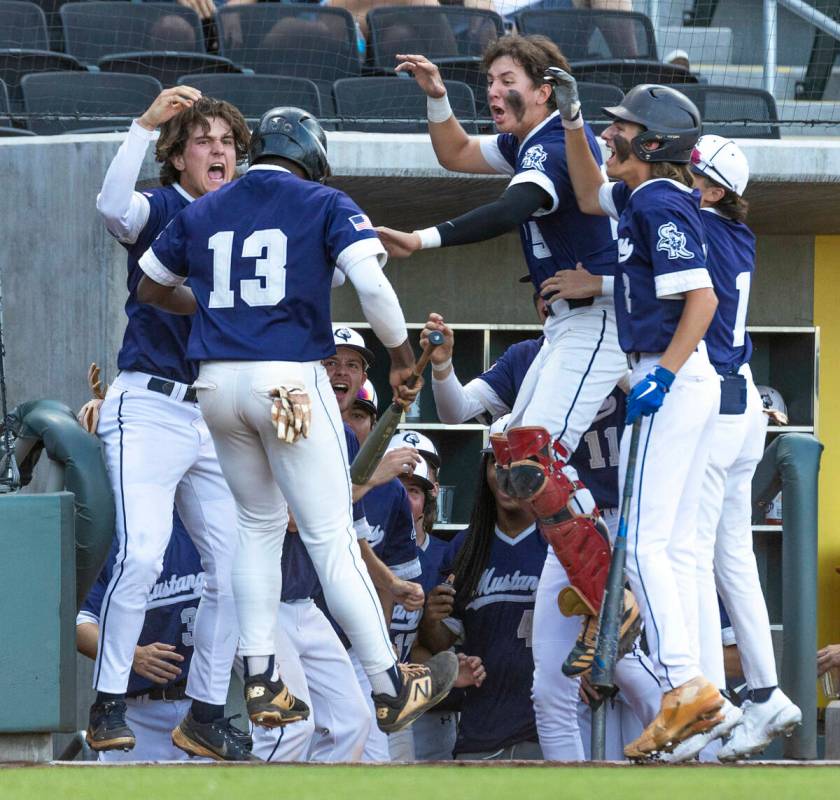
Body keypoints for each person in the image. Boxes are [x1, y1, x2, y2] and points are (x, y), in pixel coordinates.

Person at [136, 106, 458, 740]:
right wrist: (397, 355)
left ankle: (260, 679)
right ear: (311, 156)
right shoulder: (324, 200)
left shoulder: (204, 208)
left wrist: (210, 308)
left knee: (255, 526)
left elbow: (149, 288)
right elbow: (372, 284)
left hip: (216, 384)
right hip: (286, 381)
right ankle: (390, 684)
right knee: (331, 534)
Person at [377, 34, 635, 680]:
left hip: (598, 322)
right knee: (517, 451)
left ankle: (612, 593)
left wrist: (424, 238)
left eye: (507, 79)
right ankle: (605, 587)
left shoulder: (550, 145)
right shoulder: (529, 139)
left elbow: (510, 208)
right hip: (566, 327)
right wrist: (439, 99)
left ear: (546, 89)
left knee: (534, 453)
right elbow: (456, 152)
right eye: (488, 80)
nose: (493, 90)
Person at [547, 69, 728, 759]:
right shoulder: (644, 194)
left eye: (621, 128)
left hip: (670, 371)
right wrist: (569, 120)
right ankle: (710, 700)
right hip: (682, 375)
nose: (610, 132)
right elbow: (592, 190)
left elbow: (702, 302)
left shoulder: (657, 200)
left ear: (653, 142)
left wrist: (663, 377)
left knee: (644, 543)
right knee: (674, 547)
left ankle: (685, 686)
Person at [89, 87, 256, 760]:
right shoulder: (162, 206)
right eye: (202, 140)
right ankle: (106, 705)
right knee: (143, 555)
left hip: (212, 411)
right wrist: (142, 124)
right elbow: (109, 208)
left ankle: (208, 709)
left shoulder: (247, 221)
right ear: (177, 157)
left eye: (226, 141)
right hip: (150, 404)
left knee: (238, 566)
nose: (217, 150)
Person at [422, 299, 659, 759]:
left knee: (629, 662)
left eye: (572, 290)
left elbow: (662, 405)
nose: (556, 301)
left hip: (629, 522)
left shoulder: (622, 346)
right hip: (565, 522)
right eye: (545, 293)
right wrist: (444, 366)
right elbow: (458, 410)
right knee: (551, 690)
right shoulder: (531, 357)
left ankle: (706, 750)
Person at [684, 135, 801, 762]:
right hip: (744, 400)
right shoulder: (734, 231)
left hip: (718, 402)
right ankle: (764, 690)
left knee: (696, 558)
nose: (681, 179)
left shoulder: (695, 221)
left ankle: (709, 705)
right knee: (732, 559)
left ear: (716, 188)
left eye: (691, 173)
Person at [77, 515, 251, 761]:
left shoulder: (212, 535)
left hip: (201, 711)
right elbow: (80, 626)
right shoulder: (121, 543)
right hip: (135, 713)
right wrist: (133, 655)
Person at [419, 420, 544, 760]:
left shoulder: (558, 542)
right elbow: (438, 642)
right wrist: (432, 618)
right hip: (482, 729)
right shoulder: (465, 546)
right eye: (496, 463)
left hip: (551, 729)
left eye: (517, 464)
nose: (506, 477)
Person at [248, 519, 371, 762]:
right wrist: (369, 482)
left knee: (353, 720)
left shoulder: (351, 482)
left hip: (306, 603)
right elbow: (295, 516)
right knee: (289, 727)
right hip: (258, 603)